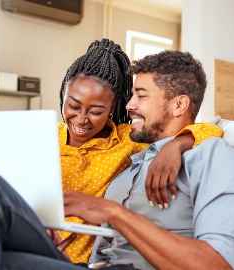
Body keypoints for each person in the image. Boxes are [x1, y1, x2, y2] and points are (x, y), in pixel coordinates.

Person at [0, 50, 234, 270]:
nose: (129, 105)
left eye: (141, 95)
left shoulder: (213, 156)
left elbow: (217, 264)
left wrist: (111, 211)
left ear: (179, 105)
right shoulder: (133, 166)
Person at [55, 39, 222, 263]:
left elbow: (214, 129)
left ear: (112, 107)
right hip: (35, 241)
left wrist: (178, 144)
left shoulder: (128, 140)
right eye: (73, 106)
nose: (82, 119)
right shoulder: (42, 137)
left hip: (78, 260)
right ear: (63, 95)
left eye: (96, 111)